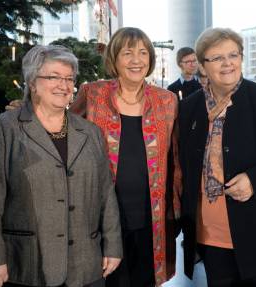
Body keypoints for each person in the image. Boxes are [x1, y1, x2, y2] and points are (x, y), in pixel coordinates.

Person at [0, 45, 122, 287]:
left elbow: (105, 193)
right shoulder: (2, 128)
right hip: (27, 266)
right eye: (53, 77)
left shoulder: (90, 132)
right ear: (31, 82)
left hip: (85, 266)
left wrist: (113, 245)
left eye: (69, 78)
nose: (63, 85)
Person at [179, 27, 256, 287]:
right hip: (212, 238)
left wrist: (255, 181)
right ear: (202, 65)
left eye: (233, 55)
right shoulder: (189, 108)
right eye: (217, 58)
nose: (227, 63)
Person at [70, 27, 182, 287]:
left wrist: (178, 210)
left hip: (150, 217)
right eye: (127, 53)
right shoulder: (93, 94)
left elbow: (176, 158)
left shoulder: (166, 101)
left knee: (144, 280)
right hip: (101, 217)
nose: (136, 60)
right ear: (114, 59)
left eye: (143, 53)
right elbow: (64, 133)